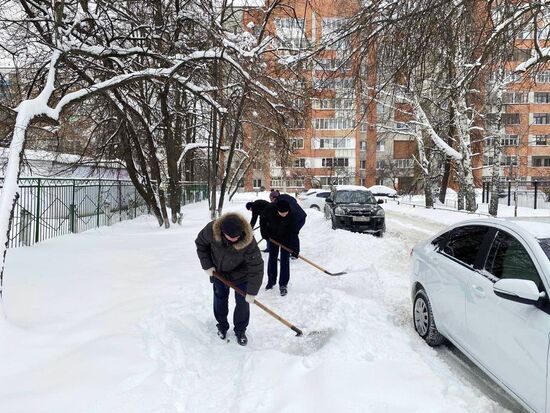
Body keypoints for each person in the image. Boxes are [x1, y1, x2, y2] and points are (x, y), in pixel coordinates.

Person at [195, 213, 264, 346]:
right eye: (230, 237)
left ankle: (240, 330)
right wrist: (207, 265)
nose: (234, 240)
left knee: (243, 302)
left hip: (241, 274)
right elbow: (200, 244)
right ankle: (221, 325)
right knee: (220, 298)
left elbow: (256, 266)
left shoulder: (248, 240)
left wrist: (252, 292)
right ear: (222, 231)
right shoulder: (211, 230)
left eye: (236, 237)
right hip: (219, 273)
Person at [260, 198, 300, 296]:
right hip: (273, 237)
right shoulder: (269, 209)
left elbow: (294, 233)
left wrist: (295, 249)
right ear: (277, 210)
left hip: (286, 238)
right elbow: (262, 220)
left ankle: (283, 284)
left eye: (285, 213)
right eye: (281, 213)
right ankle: (271, 281)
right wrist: (264, 233)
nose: (284, 214)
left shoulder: (293, 214)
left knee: (284, 260)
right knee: (272, 258)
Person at [267, 191, 306, 258]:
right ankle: (291, 250)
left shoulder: (279, 202)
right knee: (290, 233)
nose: (271, 201)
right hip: (301, 216)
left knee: (293, 233)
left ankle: (295, 253)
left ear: (274, 198)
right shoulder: (285, 197)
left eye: (271, 199)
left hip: (297, 218)